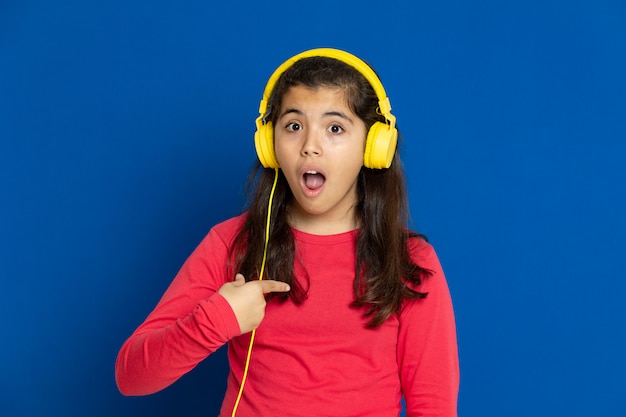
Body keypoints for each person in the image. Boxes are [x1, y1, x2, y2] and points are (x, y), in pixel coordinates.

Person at [115, 48, 459, 417]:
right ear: (270, 145)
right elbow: (131, 376)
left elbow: (433, 405)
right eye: (294, 126)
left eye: (335, 128)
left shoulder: (411, 262)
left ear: (374, 147)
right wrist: (216, 320)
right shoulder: (231, 243)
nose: (310, 146)